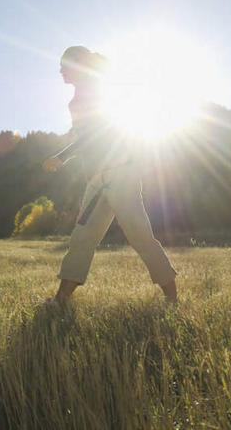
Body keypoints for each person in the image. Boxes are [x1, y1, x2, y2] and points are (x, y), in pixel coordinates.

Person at [42, 46, 177, 304]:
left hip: (121, 173)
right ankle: (61, 300)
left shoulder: (98, 91)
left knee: (139, 234)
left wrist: (61, 157)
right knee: (82, 237)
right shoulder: (78, 99)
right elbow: (86, 138)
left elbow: (94, 134)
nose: (60, 70)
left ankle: (172, 297)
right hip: (97, 180)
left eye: (64, 65)